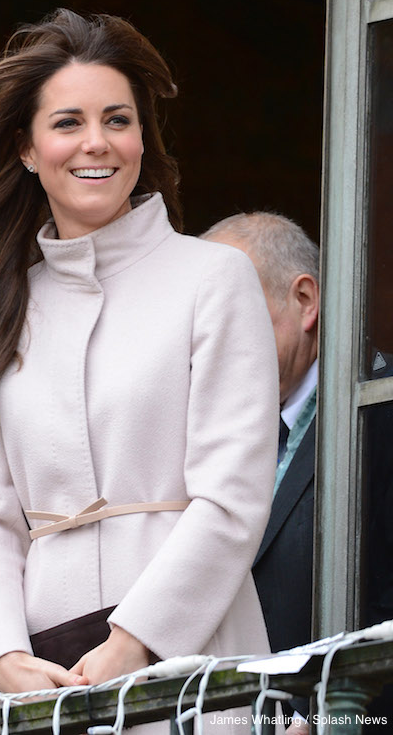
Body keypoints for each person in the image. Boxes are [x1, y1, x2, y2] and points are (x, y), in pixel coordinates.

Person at [0, 9, 279, 733]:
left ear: (143, 138)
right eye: (68, 123)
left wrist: (135, 639)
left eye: (118, 119)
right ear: (27, 148)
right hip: (43, 683)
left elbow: (233, 499)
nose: (97, 143)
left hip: (189, 656)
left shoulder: (215, 278)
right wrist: (2, 654)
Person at [200, 212, 319, 731]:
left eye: (238, 318)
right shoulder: (198, 427)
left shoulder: (378, 410)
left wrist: (339, 719)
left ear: (305, 301)